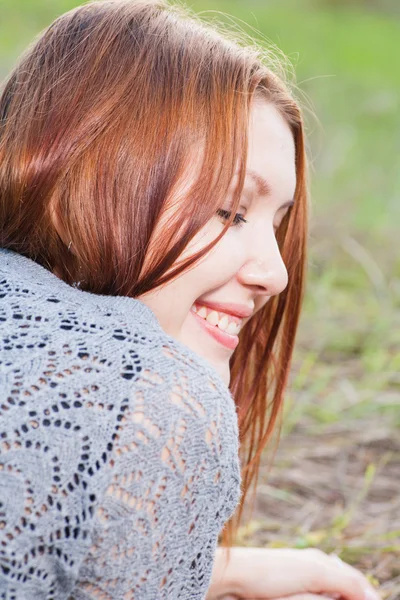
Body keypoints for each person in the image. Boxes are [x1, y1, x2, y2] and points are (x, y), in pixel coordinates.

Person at [0, 1, 380, 599]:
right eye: (229, 211)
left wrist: (209, 571)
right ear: (77, 179)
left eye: (276, 225)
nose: (277, 274)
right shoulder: (156, 396)